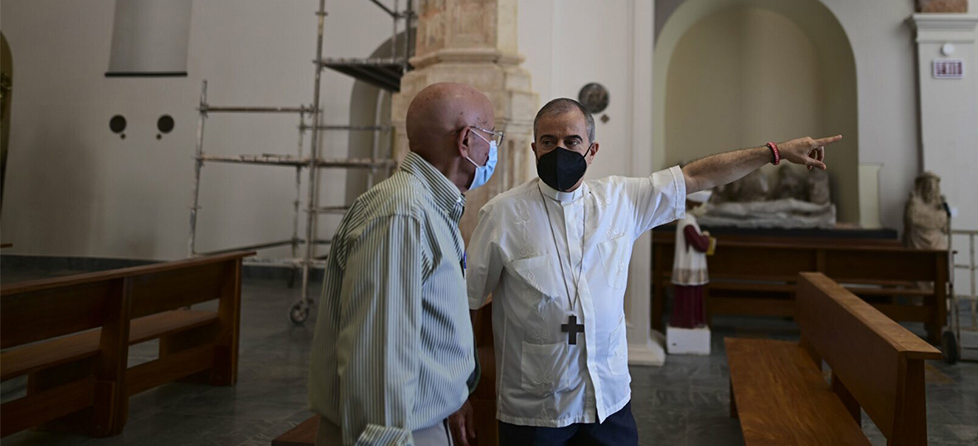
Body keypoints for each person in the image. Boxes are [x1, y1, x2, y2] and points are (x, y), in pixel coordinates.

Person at [465, 97, 841, 445]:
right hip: (535, 408)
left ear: (592, 150)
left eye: (572, 141)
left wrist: (773, 152)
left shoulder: (622, 200)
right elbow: (464, 304)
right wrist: (458, 392)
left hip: (607, 400)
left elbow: (696, 177)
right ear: (534, 149)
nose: (559, 151)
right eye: (548, 142)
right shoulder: (501, 214)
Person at [309, 82, 501, 446]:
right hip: (401, 433)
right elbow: (379, 361)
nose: (493, 147)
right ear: (466, 141)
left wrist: (454, 395)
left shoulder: (431, 207)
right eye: (491, 135)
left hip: (427, 421)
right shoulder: (402, 215)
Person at [670, 190, 715, 329]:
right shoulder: (687, 222)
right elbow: (700, 244)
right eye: (703, 206)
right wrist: (706, 238)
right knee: (689, 297)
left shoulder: (689, 220)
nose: (705, 210)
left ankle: (691, 321)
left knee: (691, 296)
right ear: (695, 205)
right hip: (688, 266)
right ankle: (687, 322)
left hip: (691, 264)